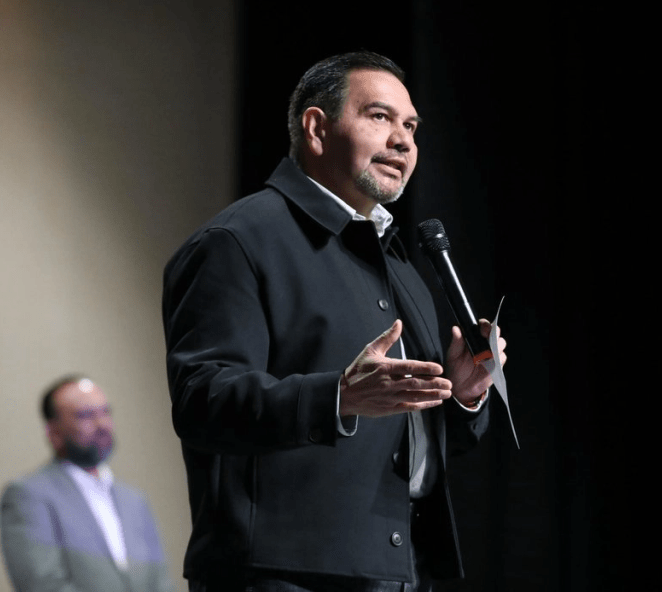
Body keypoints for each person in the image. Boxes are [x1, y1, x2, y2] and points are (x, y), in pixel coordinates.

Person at [162, 51, 506, 592]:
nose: (402, 140)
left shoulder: (399, 265)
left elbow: (407, 441)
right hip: (284, 575)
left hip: (402, 572)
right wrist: (338, 397)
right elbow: (202, 400)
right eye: (380, 117)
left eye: (411, 126)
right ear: (317, 128)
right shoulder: (237, 242)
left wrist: (461, 396)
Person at [0, 375, 173, 592]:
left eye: (105, 412)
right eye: (85, 415)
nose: (102, 424)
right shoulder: (28, 496)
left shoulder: (134, 499)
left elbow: (162, 582)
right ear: (54, 432)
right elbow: (43, 585)